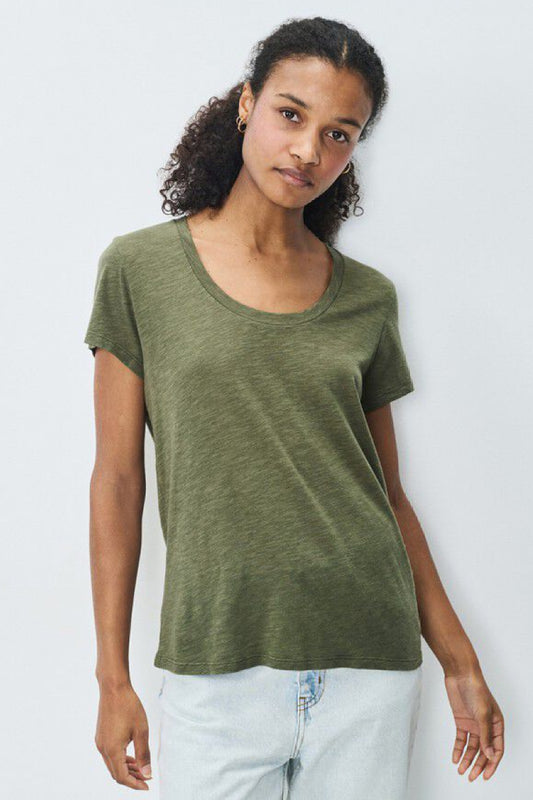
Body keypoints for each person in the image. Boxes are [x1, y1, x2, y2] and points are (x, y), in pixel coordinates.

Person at [85, 16, 504, 798]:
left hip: (368, 665)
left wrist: (459, 661)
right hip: (216, 669)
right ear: (246, 103)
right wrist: (113, 678)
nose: (309, 149)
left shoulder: (366, 296)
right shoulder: (140, 269)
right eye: (290, 114)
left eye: (339, 134)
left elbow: (386, 496)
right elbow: (117, 481)